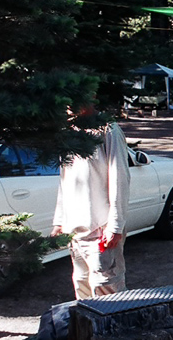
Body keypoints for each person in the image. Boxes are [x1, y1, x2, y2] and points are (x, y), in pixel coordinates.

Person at [51, 103, 130, 299]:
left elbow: (119, 178)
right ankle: (90, 330)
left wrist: (116, 226)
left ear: (90, 94)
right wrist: (60, 220)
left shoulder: (107, 130)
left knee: (108, 293)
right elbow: (66, 178)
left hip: (101, 231)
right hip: (75, 233)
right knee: (82, 291)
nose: (69, 103)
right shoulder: (69, 131)